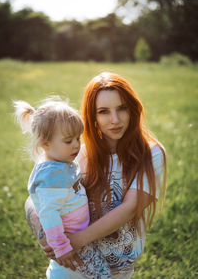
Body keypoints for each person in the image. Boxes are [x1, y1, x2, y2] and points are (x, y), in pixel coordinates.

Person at [25, 72, 166, 279]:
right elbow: (35, 195)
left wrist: (77, 240)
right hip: (69, 266)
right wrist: (45, 236)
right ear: (92, 116)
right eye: (103, 111)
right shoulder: (74, 149)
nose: (115, 120)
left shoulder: (151, 153)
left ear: (132, 109)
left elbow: (130, 208)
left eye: (121, 108)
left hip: (116, 269)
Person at [14, 97, 111, 279]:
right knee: (100, 275)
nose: (76, 145)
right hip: (71, 242)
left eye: (77, 138)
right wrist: (61, 247)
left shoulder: (60, 164)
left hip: (79, 235)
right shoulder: (51, 177)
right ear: (45, 144)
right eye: (68, 141)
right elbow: (49, 214)